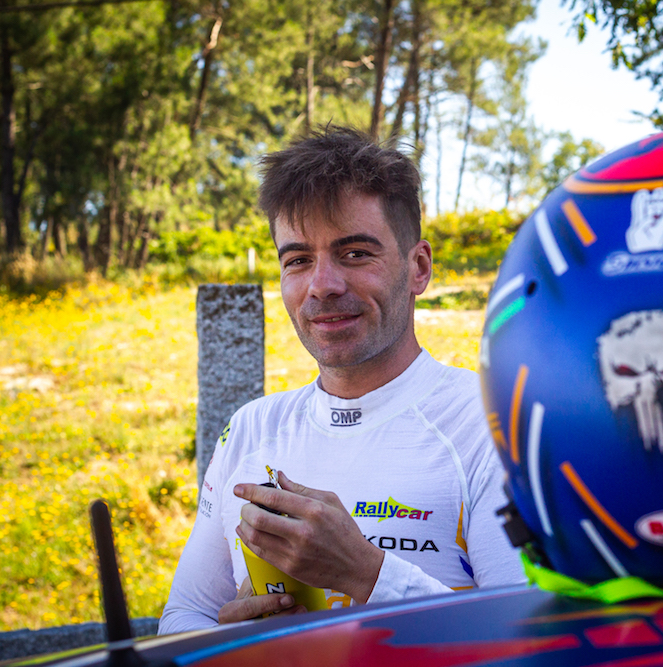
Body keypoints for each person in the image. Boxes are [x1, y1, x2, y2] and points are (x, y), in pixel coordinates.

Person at [158, 126, 525, 634]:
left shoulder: (493, 424)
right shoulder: (250, 428)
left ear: (419, 267)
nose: (323, 286)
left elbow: (530, 640)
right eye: (298, 260)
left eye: (355, 253)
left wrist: (367, 574)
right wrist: (235, 641)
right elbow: (183, 616)